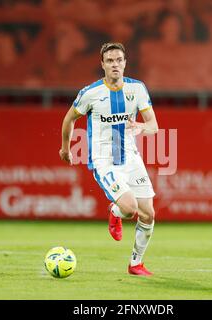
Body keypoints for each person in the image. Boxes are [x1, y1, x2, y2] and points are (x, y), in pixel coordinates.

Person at [59, 42, 158, 276]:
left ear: (125, 63)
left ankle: (136, 264)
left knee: (149, 213)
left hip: (131, 158)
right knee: (130, 207)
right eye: (110, 61)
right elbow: (69, 119)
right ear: (102, 64)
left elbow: (154, 125)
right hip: (104, 160)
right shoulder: (90, 93)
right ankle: (116, 211)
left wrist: (141, 127)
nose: (115, 64)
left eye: (119, 60)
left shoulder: (138, 89)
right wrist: (66, 148)